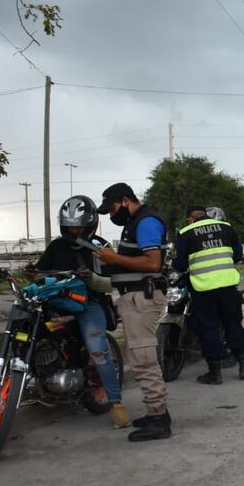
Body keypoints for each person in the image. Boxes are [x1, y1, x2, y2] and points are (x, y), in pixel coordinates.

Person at [25, 195, 129, 428]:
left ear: (89, 224)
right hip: (56, 301)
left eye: (78, 226)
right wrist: (32, 274)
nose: (73, 231)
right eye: (69, 226)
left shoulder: (101, 247)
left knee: (97, 349)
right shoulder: (57, 246)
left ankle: (115, 402)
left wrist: (92, 278)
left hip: (89, 304)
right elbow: (42, 272)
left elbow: (114, 280)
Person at [95, 183, 171, 442]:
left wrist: (113, 259)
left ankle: (159, 419)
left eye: (113, 208)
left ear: (125, 200)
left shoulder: (146, 222)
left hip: (143, 297)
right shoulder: (136, 222)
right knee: (140, 358)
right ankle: (155, 412)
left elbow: (152, 262)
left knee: (144, 357)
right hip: (136, 297)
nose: (111, 215)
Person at [173, 204, 244, 384]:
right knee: (233, 323)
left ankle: (215, 373)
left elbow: (180, 264)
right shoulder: (226, 227)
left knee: (209, 328)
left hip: (203, 288)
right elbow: (238, 255)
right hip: (228, 285)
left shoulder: (185, 232)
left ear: (190, 218)